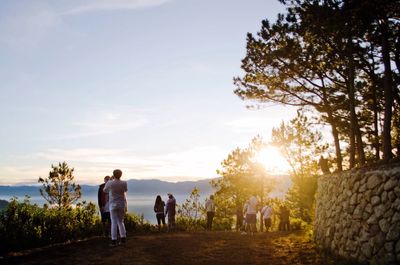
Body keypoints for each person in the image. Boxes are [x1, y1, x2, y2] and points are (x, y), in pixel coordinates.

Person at [103, 169, 128, 246]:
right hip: (121, 204)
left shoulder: (110, 183)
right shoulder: (124, 183)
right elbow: (125, 190)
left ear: (113, 175)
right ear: (121, 175)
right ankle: (123, 238)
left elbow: (104, 190)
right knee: (121, 222)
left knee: (113, 222)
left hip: (113, 205)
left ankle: (113, 241)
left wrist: (110, 181)